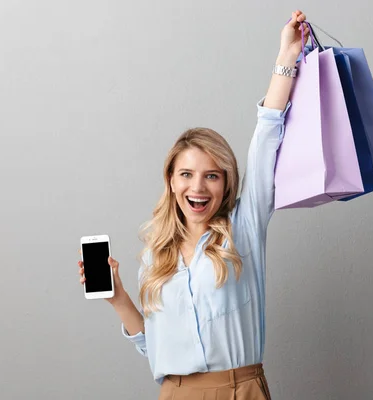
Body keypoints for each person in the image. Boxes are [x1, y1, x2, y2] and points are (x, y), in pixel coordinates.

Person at [77, 10, 310, 399]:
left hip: (241, 389)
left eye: (211, 175)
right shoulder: (156, 256)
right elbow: (156, 349)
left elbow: (267, 133)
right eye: (186, 174)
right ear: (171, 181)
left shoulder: (244, 228)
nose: (197, 187)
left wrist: (286, 57)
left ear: (226, 183)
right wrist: (117, 297)